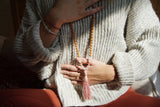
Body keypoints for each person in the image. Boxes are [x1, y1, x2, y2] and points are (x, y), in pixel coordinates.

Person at [10, 0, 160, 106]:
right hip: (59, 94)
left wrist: (112, 72)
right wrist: (54, 19)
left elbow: (152, 45)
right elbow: (24, 54)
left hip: (114, 92)